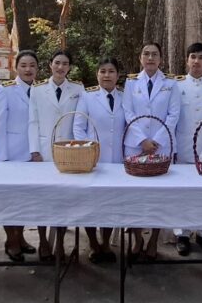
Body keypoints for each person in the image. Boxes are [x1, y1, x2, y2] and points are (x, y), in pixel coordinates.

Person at [122, 42, 180, 261]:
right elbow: (128, 112)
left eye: (155, 54)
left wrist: (155, 141)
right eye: (146, 54)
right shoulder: (130, 83)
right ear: (140, 58)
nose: (150, 58)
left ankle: (154, 239)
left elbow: (173, 115)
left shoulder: (171, 84)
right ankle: (137, 239)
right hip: (135, 145)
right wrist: (142, 140)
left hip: (162, 145)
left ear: (161, 59)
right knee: (133, 195)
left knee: (159, 195)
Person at [28, 50, 84, 261]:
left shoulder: (78, 89)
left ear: (69, 67)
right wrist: (34, 150)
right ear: (50, 65)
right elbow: (32, 121)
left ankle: (60, 243)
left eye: (65, 63)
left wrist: (80, 148)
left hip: (69, 151)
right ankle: (43, 241)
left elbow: (80, 121)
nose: (61, 67)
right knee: (43, 198)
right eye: (57, 63)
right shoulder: (38, 89)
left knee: (64, 199)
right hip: (44, 150)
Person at [73, 57, 125, 264]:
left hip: (118, 161)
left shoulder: (125, 97)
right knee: (91, 203)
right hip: (93, 160)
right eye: (102, 71)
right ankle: (93, 242)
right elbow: (78, 126)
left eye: (111, 71)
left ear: (118, 75)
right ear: (97, 74)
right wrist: (87, 150)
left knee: (110, 203)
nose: (107, 75)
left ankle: (105, 243)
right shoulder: (87, 96)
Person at [0, 50, 39, 260]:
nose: (28, 69)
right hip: (11, 155)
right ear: (16, 67)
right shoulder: (5, 90)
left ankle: (20, 238)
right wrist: (1, 158)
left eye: (32, 66)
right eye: (24, 65)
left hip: (33, 155)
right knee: (10, 201)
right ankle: (11, 240)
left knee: (26, 201)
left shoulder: (40, 90)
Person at [172, 42, 202, 257]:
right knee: (183, 194)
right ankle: (182, 234)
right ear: (187, 60)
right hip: (183, 148)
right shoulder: (176, 86)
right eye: (193, 57)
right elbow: (171, 119)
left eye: (201, 57)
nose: (196, 61)